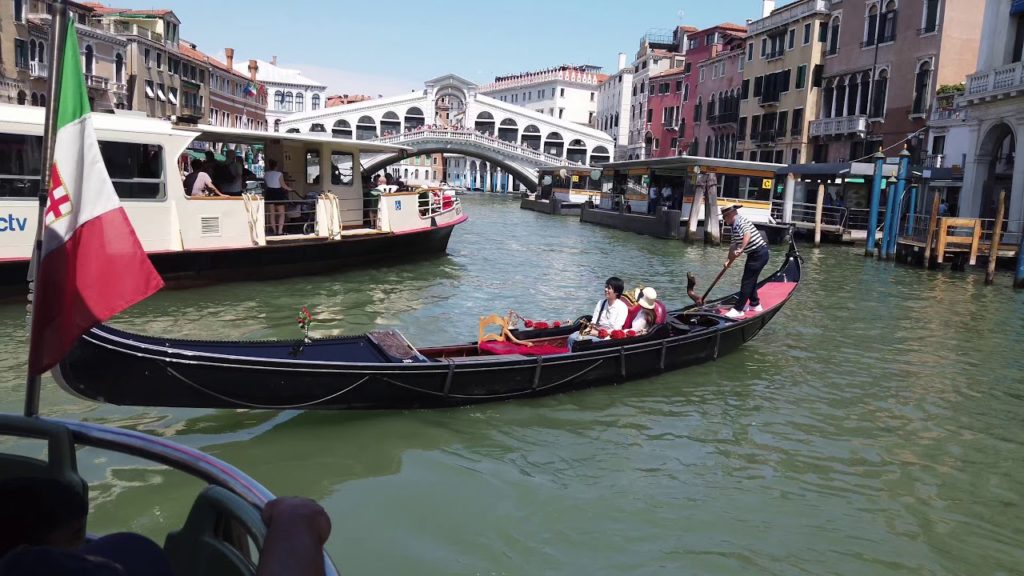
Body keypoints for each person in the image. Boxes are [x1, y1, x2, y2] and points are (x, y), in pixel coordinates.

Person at [721, 204, 769, 319]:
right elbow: (733, 246)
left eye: (725, 216)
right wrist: (729, 261)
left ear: (731, 214)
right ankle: (755, 304)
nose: (724, 219)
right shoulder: (734, 226)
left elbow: (747, 234)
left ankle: (738, 309)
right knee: (750, 280)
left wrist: (742, 248)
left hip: (759, 253)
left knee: (747, 281)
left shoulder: (741, 222)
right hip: (755, 254)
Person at [567, 276, 629, 348]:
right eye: (606, 287)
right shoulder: (601, 303)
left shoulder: (622, 307)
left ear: (616, 292)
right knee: (572, 337)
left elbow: (617, 329)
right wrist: (587, 331)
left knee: (581, 343)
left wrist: (597, 333)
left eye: (609, 288)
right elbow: (593, 323)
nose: (606, 289)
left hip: (609, 337)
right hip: (595, 332)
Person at [264, 159, 295, 236]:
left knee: (272, 214)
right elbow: (283, 185)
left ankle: (274, 231)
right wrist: (290, 189)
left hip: (269, 192)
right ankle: (280, 231)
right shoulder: (279, 174)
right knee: (281, 213)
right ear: (276, 166)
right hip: (278, 193)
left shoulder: (266, 174)